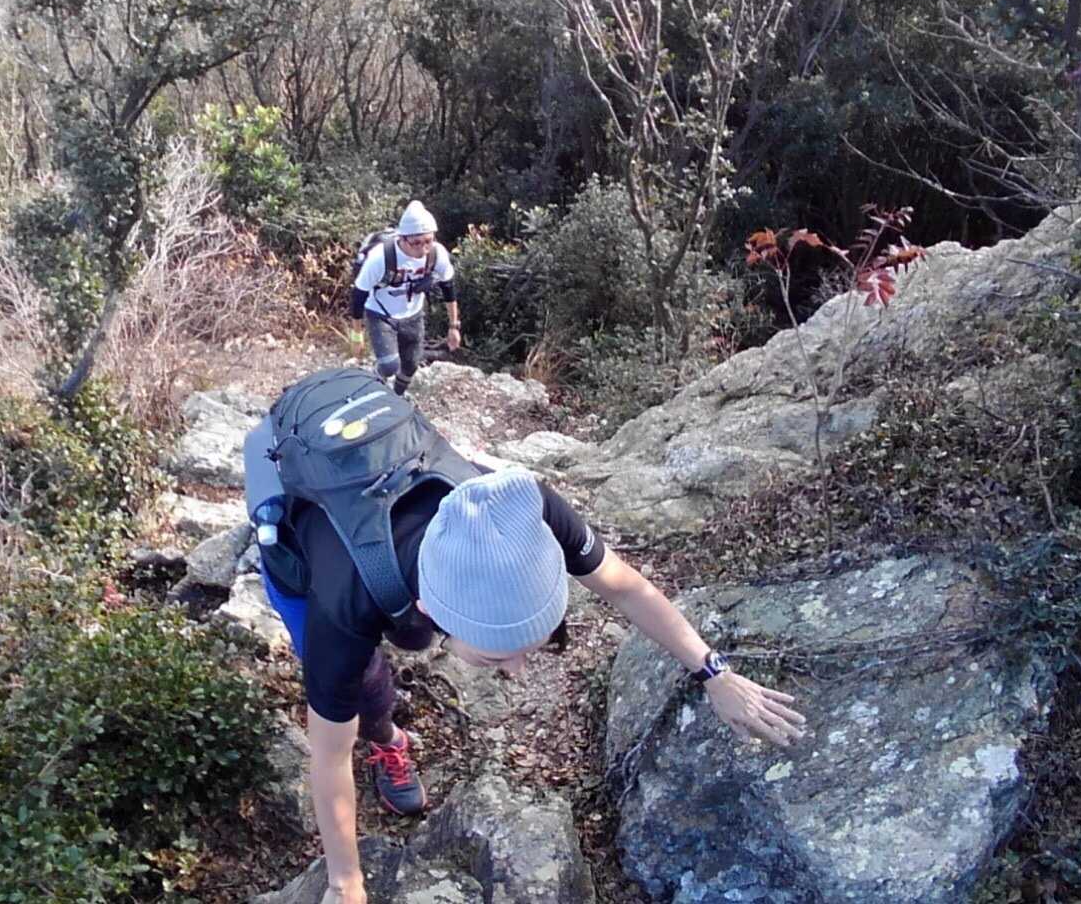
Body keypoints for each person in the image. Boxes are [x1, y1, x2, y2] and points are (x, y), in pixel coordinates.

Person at [248, 411, 806, 904]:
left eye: (528, 649)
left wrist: (713, 671)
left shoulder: (524, 512)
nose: (517, 674)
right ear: (430, 608)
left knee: (408, 642)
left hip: (390, 504)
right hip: (306, 545)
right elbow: (329, 755)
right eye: (497, 659)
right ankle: (389, 739)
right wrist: (345, 882)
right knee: (360, 685)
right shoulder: (342, 605)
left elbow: (628, 588)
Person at [352, 200, 459, 396]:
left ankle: (396, 396)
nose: (423, 248)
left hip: (413, 314)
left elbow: (448, 287)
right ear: (402, 238)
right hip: (380, 312)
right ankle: (372, 385)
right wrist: (357, 335)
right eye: (416, 242)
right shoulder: (380, 257)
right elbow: (359, 294)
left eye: (428, 241)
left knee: (411, 364)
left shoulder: (436, 254)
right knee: (390, 365)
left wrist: (453, 327)